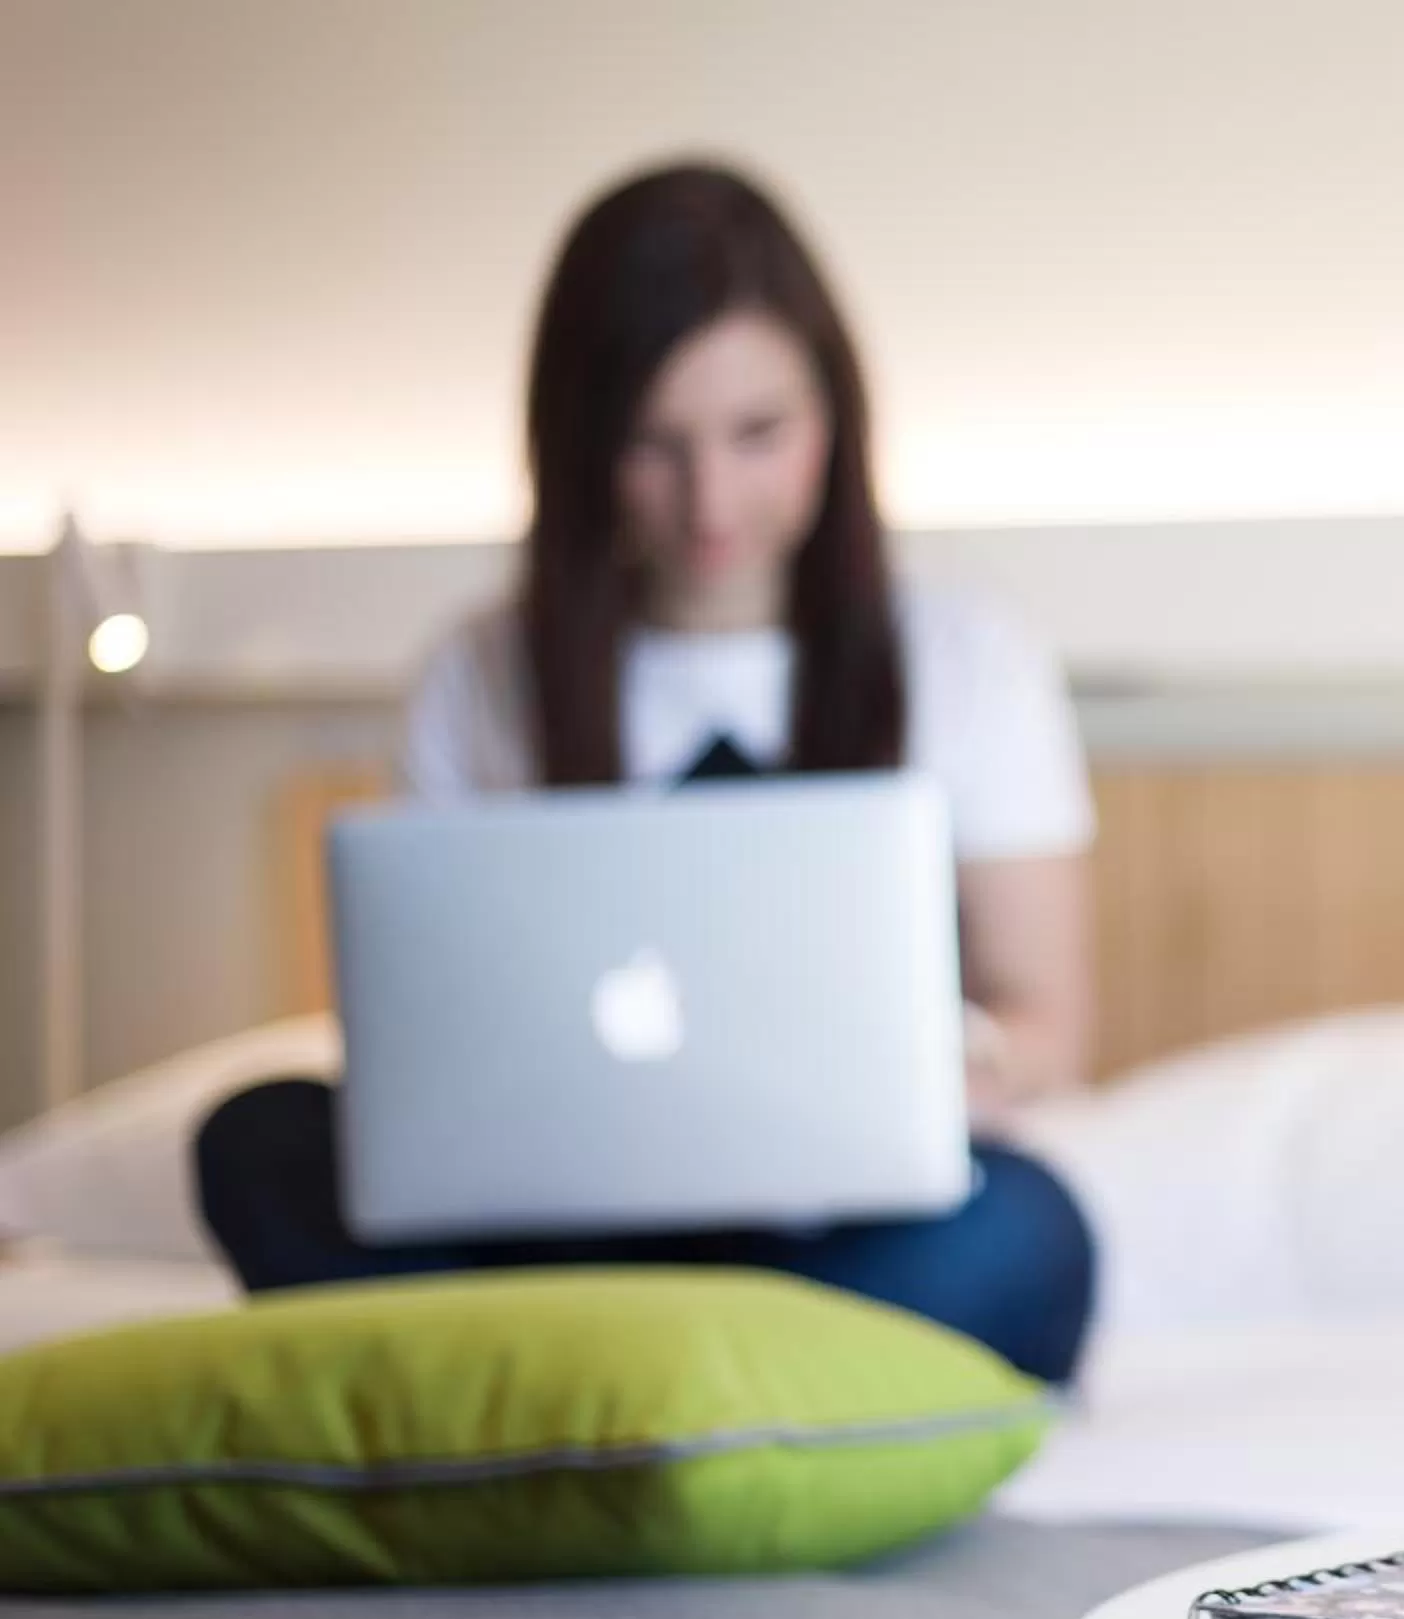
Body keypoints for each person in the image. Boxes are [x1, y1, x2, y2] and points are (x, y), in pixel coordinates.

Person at [191, 161, 1099, 1384]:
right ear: (577, 447)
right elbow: (428, 1049)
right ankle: (725, 1377)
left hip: (837, 1230)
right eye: (654, 447)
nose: (710, 499)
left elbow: (1050, 1022)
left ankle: (562, 1382)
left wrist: (957, 1071)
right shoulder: (481, 675)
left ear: (834, 417)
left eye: (758, 435)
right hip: (551, 1232)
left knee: (1029, 1231)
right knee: (255, 1140)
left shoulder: (964, 659)